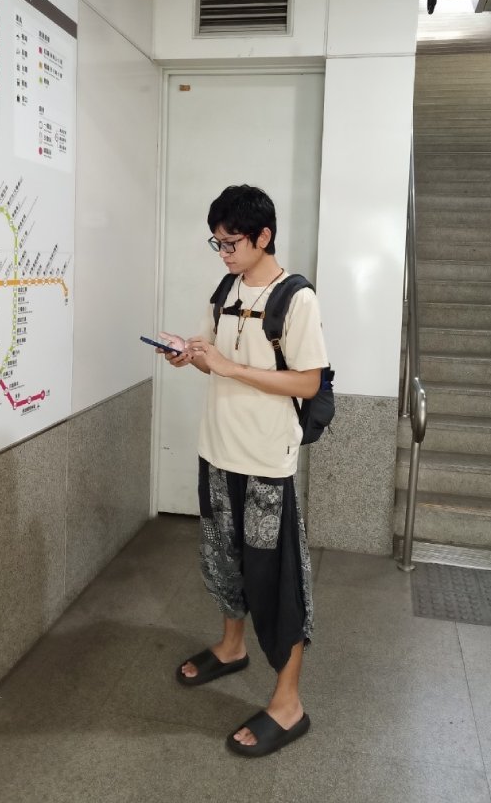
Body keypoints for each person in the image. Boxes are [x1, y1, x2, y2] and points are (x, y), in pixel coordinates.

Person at [159, 184, 329, 758]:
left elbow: (308, 381)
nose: (224, 253)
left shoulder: (296, 299)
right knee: (222, 562)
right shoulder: (227, 287)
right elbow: (219, 355)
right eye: (217, 242)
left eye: (232, 242)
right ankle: (232, 648)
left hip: (264, 465)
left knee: (277, 580)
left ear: (264, 236)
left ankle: (289, 703)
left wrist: (229, 366)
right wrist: (192, 353)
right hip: (218, 451)